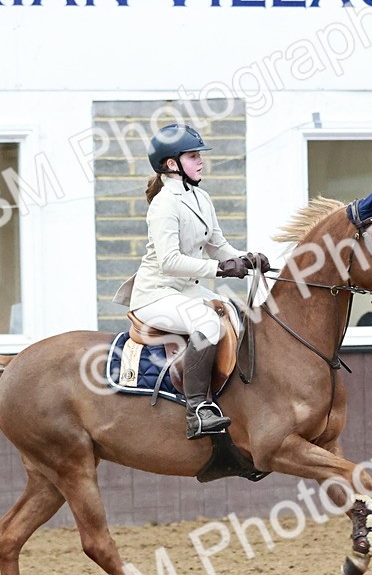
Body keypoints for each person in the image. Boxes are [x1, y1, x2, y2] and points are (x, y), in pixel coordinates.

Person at [113, 123, 270, 439]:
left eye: (200, 156)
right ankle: (197, 410)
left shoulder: (201, 197)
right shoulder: (164, 205)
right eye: (194, 156)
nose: (201, 162)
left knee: (234, 312)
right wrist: (221, 270)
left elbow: (218, 245)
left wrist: (247, 258)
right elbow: (170, 262)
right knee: (208, 322)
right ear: (172, 164)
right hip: (155, 295)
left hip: (185, 290)